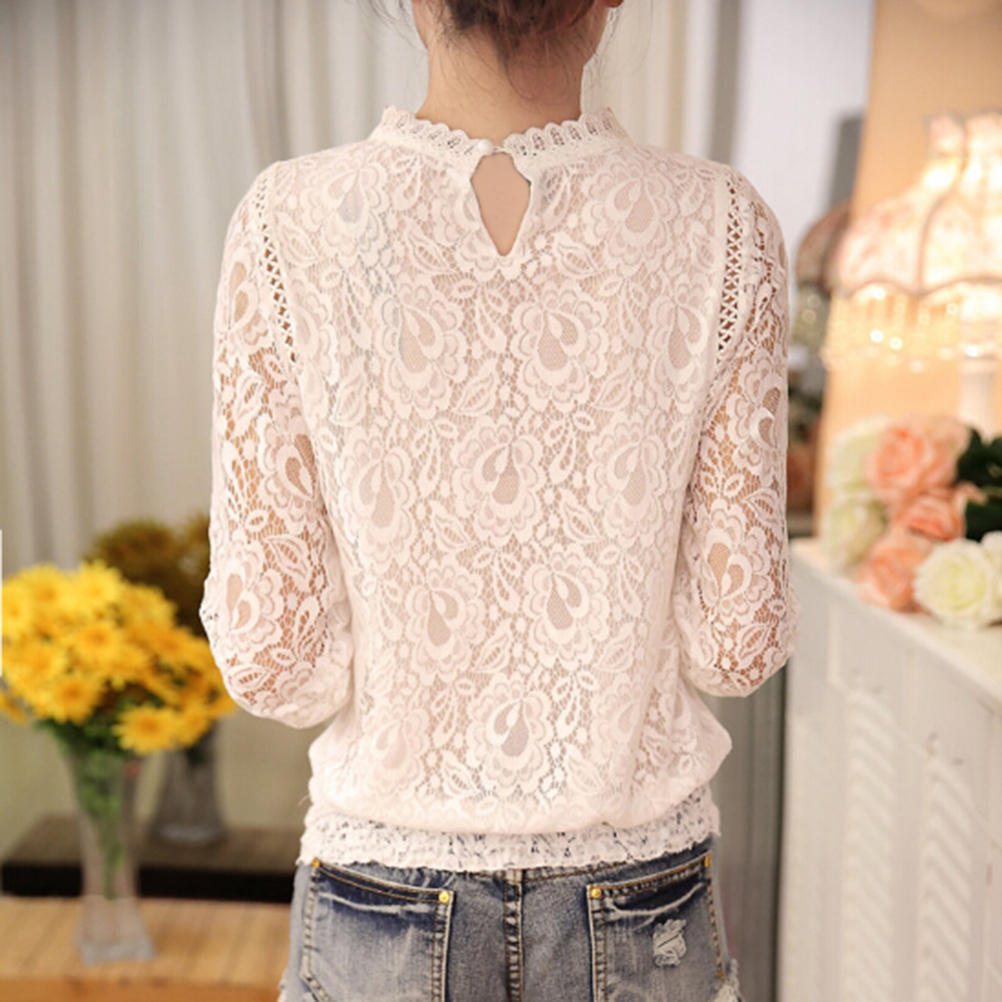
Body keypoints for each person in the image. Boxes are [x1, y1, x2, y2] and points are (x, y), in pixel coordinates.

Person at [199, 0, 801, 999]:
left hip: (382, 893)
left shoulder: (285, 220)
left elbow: (276, 664)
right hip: (637, 892)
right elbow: (738, 645)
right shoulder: (722, 223)